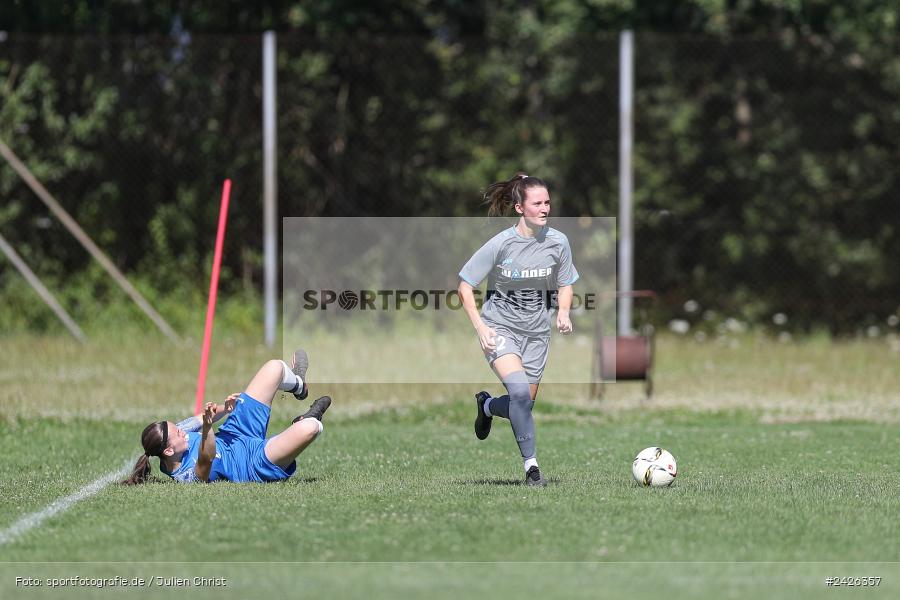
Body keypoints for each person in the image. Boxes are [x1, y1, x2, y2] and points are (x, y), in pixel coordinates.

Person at [458, 173, 578, 486]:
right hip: (500, 330)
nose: (544, 208)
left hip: (537, 335)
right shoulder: (501, 244)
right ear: (519, 207)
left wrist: (563, 311)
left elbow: (566, 284)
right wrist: (481, 327)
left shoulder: (558, 243)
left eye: (547, 202)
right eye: (537, 203)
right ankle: (532, 468)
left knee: (522, 405)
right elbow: (464, 286)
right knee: (521, 395)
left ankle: (486, 405)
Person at [123, 349, 331, 484]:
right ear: (169, 450)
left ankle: (299, 385)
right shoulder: (185, 476)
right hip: (252, 463)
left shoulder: (173, 439)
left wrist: (226, 408)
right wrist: (206, 427)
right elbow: (207, 456)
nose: (182, 431)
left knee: (274, 368)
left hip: (235, 432)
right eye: (178, 432)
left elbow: (199, 420)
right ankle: (301, 423)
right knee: (310, 429)